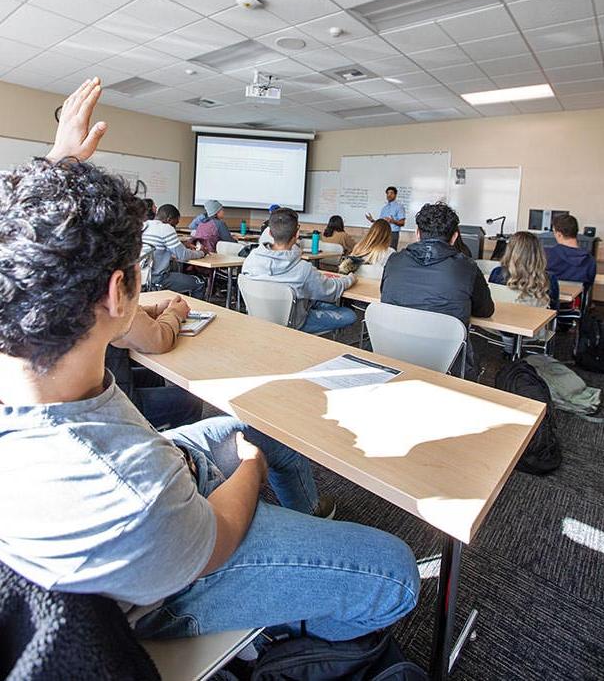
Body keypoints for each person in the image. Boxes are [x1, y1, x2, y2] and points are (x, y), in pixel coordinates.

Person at [0, 78, 420, 646]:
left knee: (245, 420)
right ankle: (285, 634)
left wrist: (60, 164)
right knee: (392, 572)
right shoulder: (128, 490)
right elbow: (217, 533)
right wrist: (250, 467)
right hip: (162, 584)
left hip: (120, 509)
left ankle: (309, 516)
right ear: (119, 293)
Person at [381, 202, 494, 379]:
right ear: (455, 236)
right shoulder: (467, 266)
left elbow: (386, 296)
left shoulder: (394, 260)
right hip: (446, 361)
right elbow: (485, 310)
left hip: (391, 350)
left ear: (417, 233)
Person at [243, 208, 358, 335]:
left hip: (259, 317)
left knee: (311, 297)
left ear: (269, 233)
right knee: (349, 314)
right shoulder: (303, 269)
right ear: (297, 235)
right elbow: (332, 291)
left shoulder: (251, 259)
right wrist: (350, 278)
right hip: (294, 322)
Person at [107, 296, 204, 429]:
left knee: (153, 376)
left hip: (100, 382)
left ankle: (154, 431)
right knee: (191, 401)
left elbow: (130, 318)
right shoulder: (107, 296)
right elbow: (159, 339)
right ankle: (172, 446)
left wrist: (155, 310)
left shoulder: (84, 290)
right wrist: (175, 313)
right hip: (108, 405)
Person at [489, 232, 559, 355]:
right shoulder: (550, 280)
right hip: (533, 334)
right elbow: (554, 311)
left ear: (510, 251)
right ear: (538, 254)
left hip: (497, 330)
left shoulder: (496, 273)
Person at [143, 203, 206, 299]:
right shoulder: (166, 228)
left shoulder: (145, 225)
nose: (174, 228)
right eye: (174, 224)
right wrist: (201, 253)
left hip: (142, 278)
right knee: (199, 283)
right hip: (158, 278)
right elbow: (183, 255)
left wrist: (182, 245)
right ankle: (195, 312)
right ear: (169, 219)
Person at [546, 213, 596, 285]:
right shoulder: (590, 260)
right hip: (577, 296)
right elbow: (588, 286)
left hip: (550, 296)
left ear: (559, 234)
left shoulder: (546, 256)